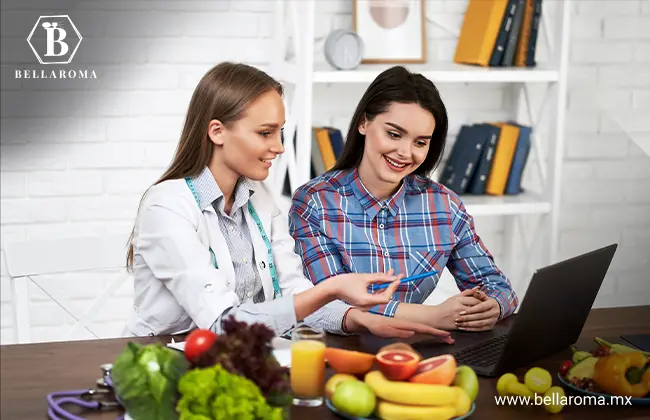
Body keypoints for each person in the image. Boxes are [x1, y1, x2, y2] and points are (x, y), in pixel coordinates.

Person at [122, 62, 453, 343]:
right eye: (266, 133)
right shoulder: (166, 206)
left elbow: (293, 292)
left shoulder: (258, 198)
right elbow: (224, 324)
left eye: (281, 132)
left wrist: (357, 319)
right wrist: (332, 289)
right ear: (218, 132)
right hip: (165, 365)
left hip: (243, 359)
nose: (280, 147)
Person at [289, 65, 519, 335]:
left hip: (416, 350)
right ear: (364, 123)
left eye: (420, 143)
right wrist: (434, 316)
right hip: (340, 352)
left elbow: (498, 287)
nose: (404, 153)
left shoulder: (444, 206)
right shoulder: (315, 203)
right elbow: (331, 305)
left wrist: (492, 306)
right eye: (394, 134)